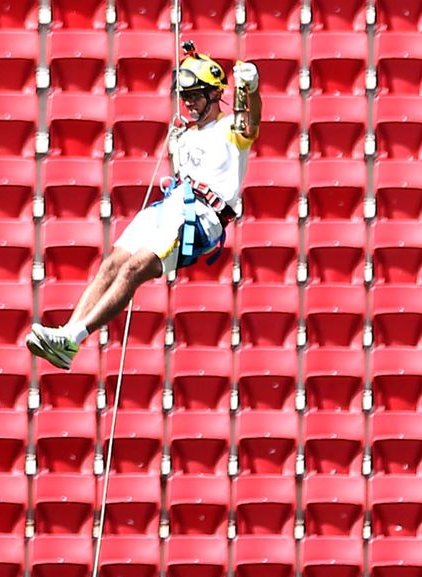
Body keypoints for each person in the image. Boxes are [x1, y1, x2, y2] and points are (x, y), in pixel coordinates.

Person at [25, 42, 262, 370]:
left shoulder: (228, 131)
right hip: (171, 204)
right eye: (185, 96)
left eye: (195, 95)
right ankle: (66, 335)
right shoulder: (185, 134)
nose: (189, 103)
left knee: (134, 268)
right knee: (112, 264)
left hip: (200, 215)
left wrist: (249, 89)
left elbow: (249, 123)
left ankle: (74, 338)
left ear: (213, 94)